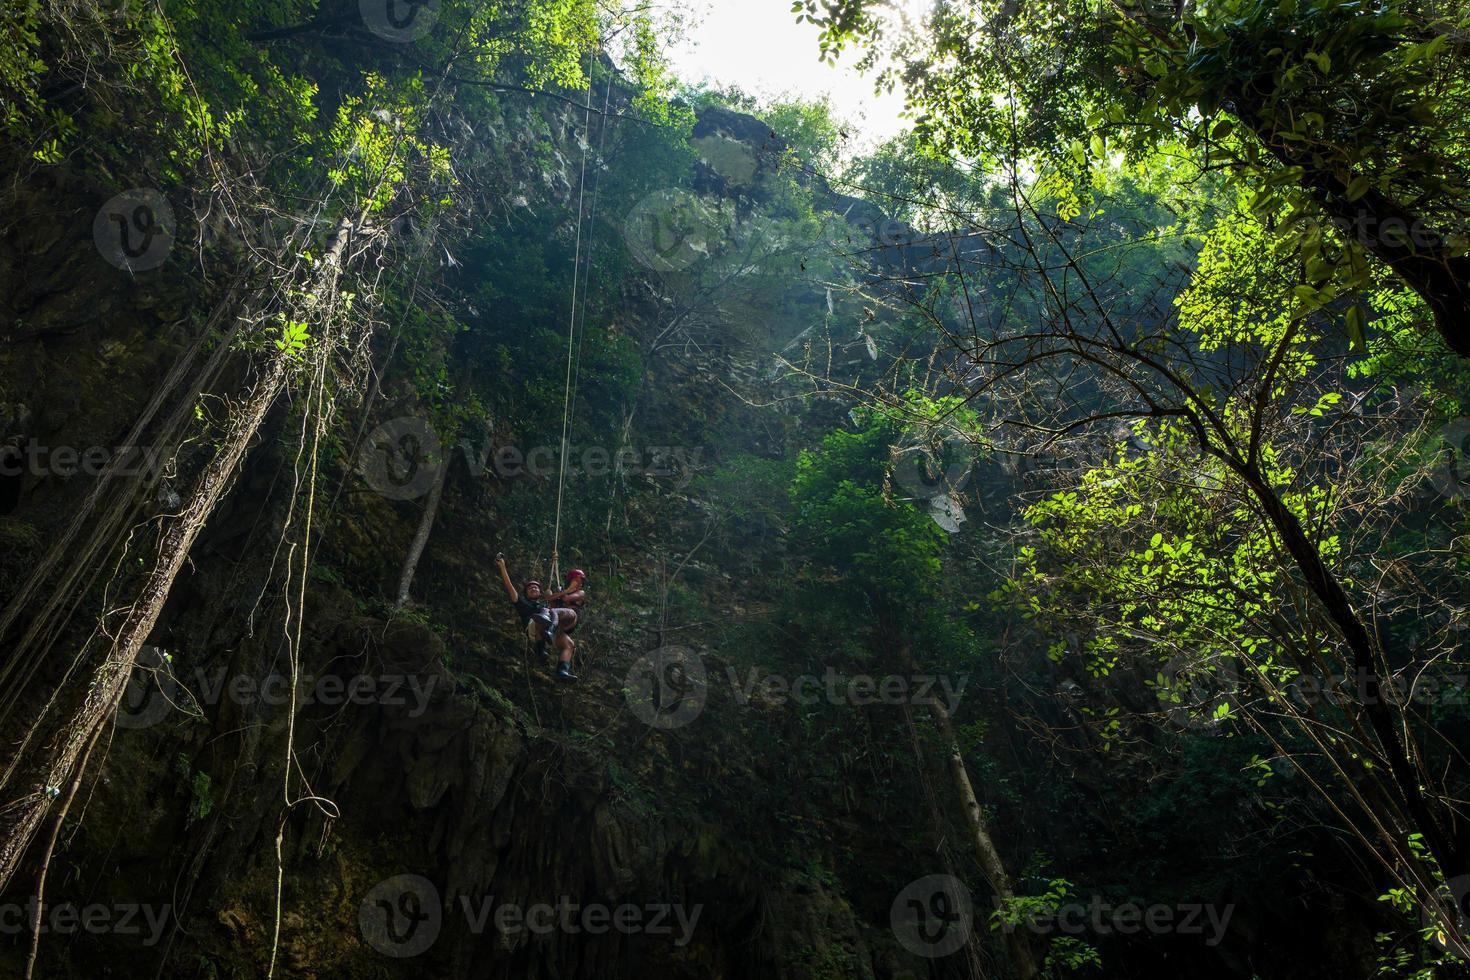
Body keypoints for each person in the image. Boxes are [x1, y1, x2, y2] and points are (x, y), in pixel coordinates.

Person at [494, 553, 577, 682]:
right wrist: (502, 567)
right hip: (534, 628)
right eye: (531, 587)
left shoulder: (545, 605)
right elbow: (509, 585)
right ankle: (540, 648)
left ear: (540, 592)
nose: (534, 588)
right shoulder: (522, 603)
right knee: (541, 616)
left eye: (537, 587)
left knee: (569, 643)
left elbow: (560, 606)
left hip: (549, 628)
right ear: (526, 593)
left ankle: (562, 671)